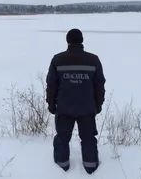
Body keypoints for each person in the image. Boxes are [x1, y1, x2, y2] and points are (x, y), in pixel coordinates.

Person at [45, 28, 106, 174]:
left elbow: (51, 85)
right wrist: (98, 105)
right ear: (82, 41)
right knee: (88, 139)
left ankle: (61, 168)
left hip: (65, 108)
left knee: (62, 138)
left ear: (67, 41)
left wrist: (51, 104)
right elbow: (99, 85)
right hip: (87, 108)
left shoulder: (58, 59)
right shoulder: (93, 60)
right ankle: (91, 169)